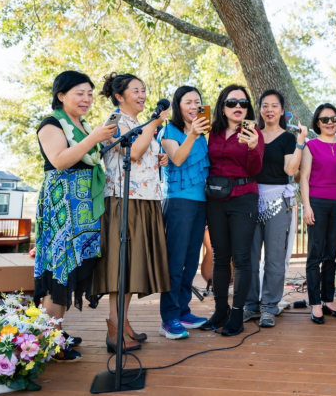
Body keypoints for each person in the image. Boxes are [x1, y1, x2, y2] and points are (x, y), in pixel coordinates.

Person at [34, 70, 117, 362]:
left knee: (71, 270)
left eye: (90, 94)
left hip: (84, 210)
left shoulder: (82, 126)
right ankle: (49, 341)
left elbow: (92, 157)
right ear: (61, 95)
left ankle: (56, 332)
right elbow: (59, 160)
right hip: (62, 208)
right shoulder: (52, 124)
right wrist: (94, 137)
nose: (86, 99)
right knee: (59, 271)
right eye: (79, 93)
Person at [93, 72, 170, 353]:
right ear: (119, 96)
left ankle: (123, 324)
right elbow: (133, 153)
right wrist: (154, 125)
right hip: (124, 201)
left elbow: (142, 154)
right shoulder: (115, 122)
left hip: (145, 199)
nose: (142, 95)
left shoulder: (139, 123)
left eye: (143, 90)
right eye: (135, 90)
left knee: (130, 266)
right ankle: (114, 330)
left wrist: (158, 157)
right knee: (121, 267)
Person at [199, 84, 265, 337]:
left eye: (243, 103)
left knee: (241, 258)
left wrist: (253, 147)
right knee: (219, 256)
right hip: (215, 199)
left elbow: (255, 169)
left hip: (243, 198)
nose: (238, 106)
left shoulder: (253, 133)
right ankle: (220, 311)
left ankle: (237, 314)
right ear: (222, 106)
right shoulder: (212, 131)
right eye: (232, 102)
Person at [243, 90, 308, 328]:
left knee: (275, 257)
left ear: (282, 110)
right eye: (265, 105)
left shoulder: (288, 138)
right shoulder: (251, 133)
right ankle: (250, 305)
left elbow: (290, 170)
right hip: (250, 198)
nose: (269, 109)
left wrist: (300, 142)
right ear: (259, 109)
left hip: (278, 200)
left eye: (274, 105)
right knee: (249, 257)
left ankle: (269, 307)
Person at [156, 86, 211, 339]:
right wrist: (193, 133)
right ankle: (168, 319)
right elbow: (177, 158)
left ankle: (183, 311)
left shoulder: (203, 135)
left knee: (190, 261)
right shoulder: (169, 130)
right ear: (178, 106)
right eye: (188, 102)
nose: (194, 106)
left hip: (201, 202)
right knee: (175, 262)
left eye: (197, 102)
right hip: (178, 201)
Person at [300, 103, 336, 324]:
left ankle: (328, 300)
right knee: (315, 254)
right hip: (317, 203)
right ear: (317, 123)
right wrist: (307, 206)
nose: (330, 123)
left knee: (331, 254)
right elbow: (304, 177)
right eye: (325, 119)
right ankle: (315, 303)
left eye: (334, 118)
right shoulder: (311, 145)